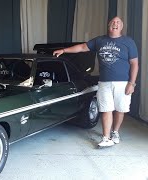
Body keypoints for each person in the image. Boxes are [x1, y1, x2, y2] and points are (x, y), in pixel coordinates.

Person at [53, 16, 139, 148]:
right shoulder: (100, 40)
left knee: (120, 110)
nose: (115, 24)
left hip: (123, 83)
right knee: (106, 109)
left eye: (118, 22)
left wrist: (132, 83)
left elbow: (134, 64)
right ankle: (106, 138)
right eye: (113, 22)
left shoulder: (128, 42)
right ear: (108, 25)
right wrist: (64, 50)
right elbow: (82, 47)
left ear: (121, 27)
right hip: (104, 82)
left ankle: (115, 132)